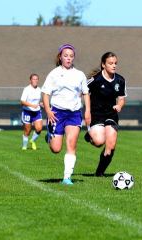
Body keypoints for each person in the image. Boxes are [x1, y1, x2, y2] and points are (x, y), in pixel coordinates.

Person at [41, 43, 91, 185]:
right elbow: (45, 94)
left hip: (74, 113)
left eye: (71, 56)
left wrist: (87, 111)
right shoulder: (54, 73)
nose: (68, 58)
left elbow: (86, 93)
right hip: (57, 113)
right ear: (60, 57)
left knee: (71, 144)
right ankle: (49, 136)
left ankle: (67, 177)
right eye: (66, 56)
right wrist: (48, 111)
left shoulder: (79, 74)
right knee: (56, 149)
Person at [84, 52, 127, 177]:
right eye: (110, 63)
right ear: (103, 65)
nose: (114, 66)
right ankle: (90, 135)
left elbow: (121, 98)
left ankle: (100, 172)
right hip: (96, 115)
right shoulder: (95, 80)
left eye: (115, 63)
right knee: (98, 142)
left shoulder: (120, 80)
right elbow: (82, 91)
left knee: (111, 144)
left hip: (111, 115)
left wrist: (119, 105)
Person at [20, 73, 43, 150]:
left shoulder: (39, 90)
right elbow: (22, 101)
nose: (35, 80)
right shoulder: (27, 89)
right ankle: (24, 146)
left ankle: (32, 140)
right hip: (27, 112)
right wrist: (32, 105)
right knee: (27, 131)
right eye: (34, 79)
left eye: (37, 79)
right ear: (30, 80)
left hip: (36, 112)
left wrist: (41, 104)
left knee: (39, 128)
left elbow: (37, 101)